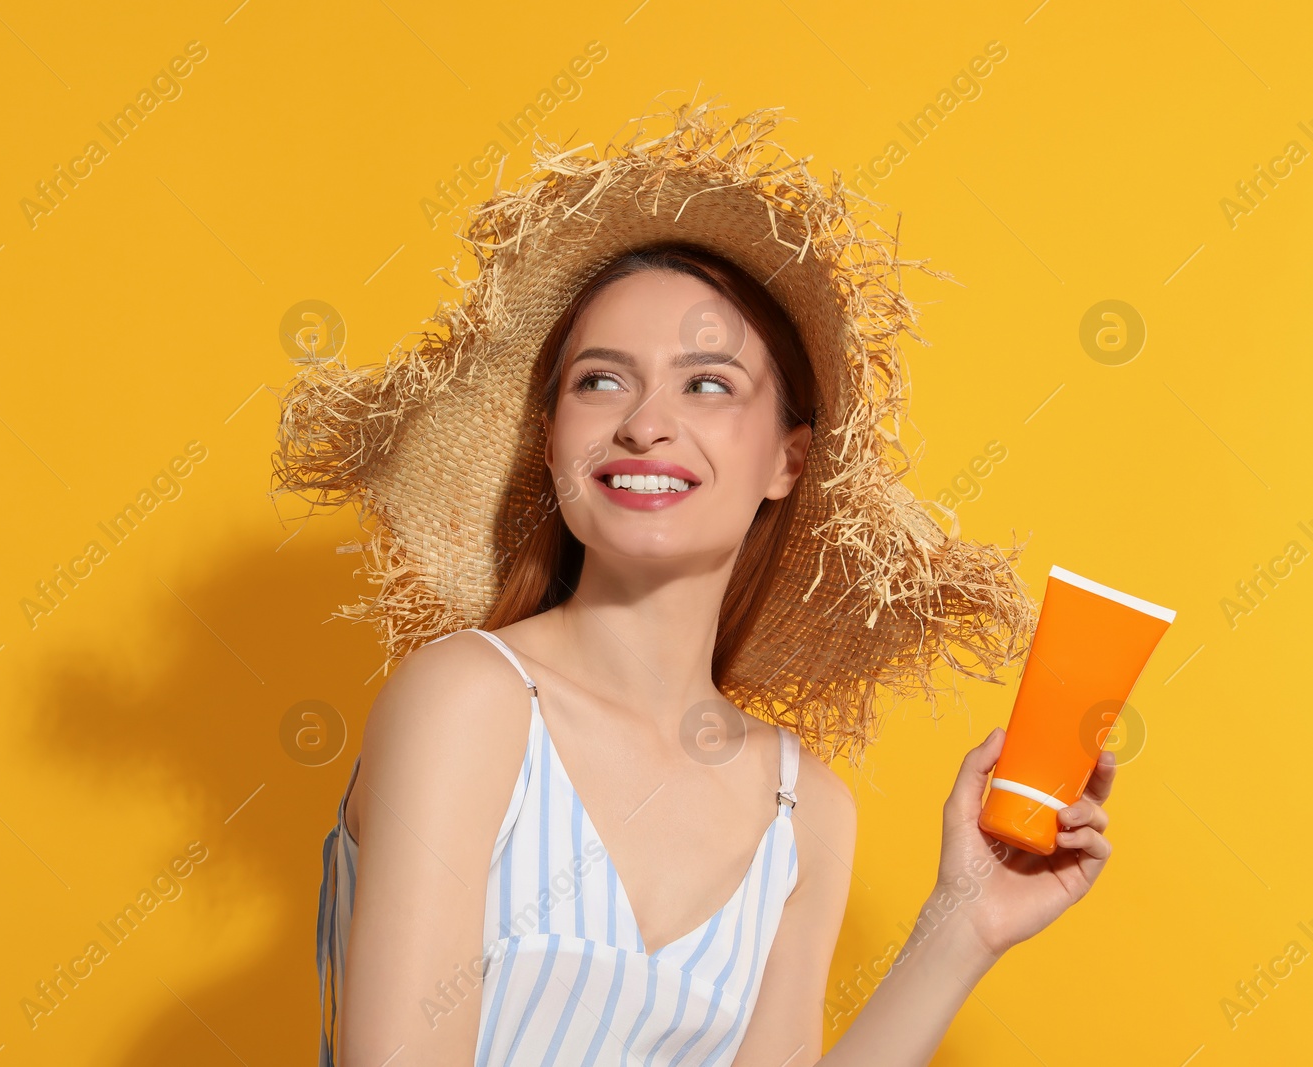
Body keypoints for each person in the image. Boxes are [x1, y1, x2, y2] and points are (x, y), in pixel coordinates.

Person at [277, 100, 1112, 1066]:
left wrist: (963, 922)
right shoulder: (470, 700)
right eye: (600, 380)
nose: (644, 424)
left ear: (787, 462)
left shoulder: (805, 809)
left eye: (707, 384)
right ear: (552, 443)